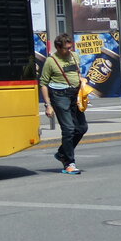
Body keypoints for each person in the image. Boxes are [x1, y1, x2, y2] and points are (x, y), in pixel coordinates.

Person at [40, 33, 89, 174]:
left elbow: (77, 73)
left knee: (82, 127)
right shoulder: (51, 61)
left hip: (75, 95)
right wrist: (48, 105)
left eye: (70, 47)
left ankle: (62, 153)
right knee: (68, 129)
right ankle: (69, 163)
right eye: (66, 48)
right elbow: (43, 83)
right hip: (59, 96)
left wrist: (81, 81)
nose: (69, 50)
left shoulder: (74, 56)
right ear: (58, 47)